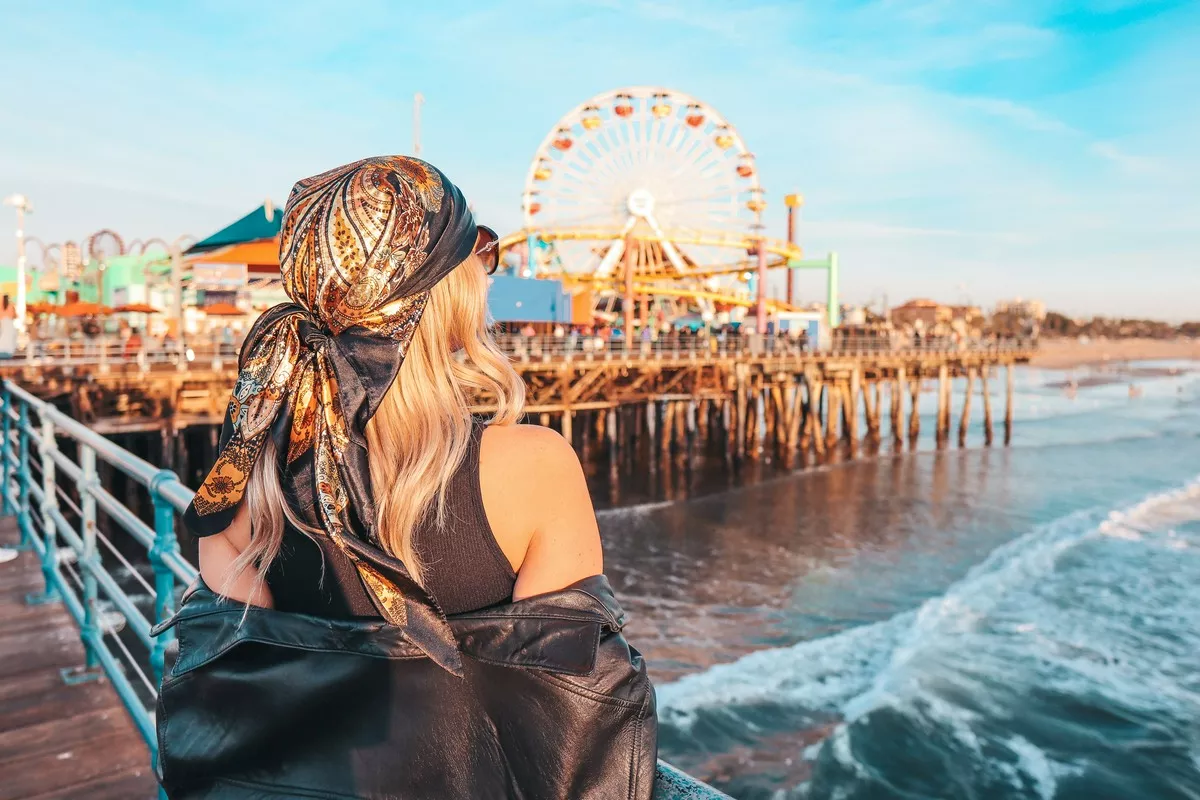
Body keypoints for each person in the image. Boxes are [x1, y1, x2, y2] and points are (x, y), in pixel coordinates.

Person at [153, 157, 657, 799]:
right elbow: (573, 723)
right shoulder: (535, 464)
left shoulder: (241, 485)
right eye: (480, 258)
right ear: (445, 296)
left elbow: (249, 695)